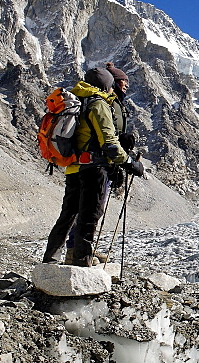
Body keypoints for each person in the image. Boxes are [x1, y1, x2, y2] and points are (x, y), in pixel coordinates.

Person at [43, 66, 145, 267]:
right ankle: (82, 264)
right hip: (94, 169)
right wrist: (130, 163)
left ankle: (50, 260)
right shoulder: (98, 104)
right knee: (89, 218)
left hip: (74, 167)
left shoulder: (77, 100)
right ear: (106, 85)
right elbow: (108, 142)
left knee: (68, 215)